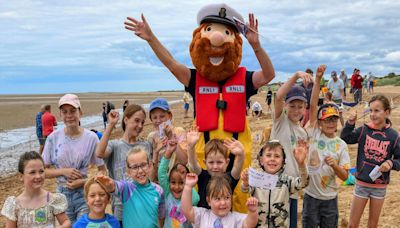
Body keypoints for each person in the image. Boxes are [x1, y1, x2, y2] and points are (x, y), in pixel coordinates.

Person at [125, 4, 275, 212]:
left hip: (238, 157)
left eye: (226, 33)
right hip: (206, 161)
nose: (218, 39)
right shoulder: (195, 79)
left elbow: (269, 75)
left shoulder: (245, 79)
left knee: (238, 208)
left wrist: (256, 46)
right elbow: (171, 63)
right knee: (205, 208)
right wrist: (151, 37)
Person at [42, 94, 106, 223]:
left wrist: (84, 182)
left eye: (73, 111)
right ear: (60, 115)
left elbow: (102, 171)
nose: (69, 115)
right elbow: (43, 171)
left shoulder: (91, 138)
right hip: (61, 195)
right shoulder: (53, 138)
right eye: (64, 112)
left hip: (84, 194)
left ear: (80, 113)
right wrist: (62, 171)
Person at [341, 94, 400, 228]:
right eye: (370, 110)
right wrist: (350, 123)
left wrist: (390, 163)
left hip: (379, 187)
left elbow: (399, 159)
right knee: (352, 224)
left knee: (372, 225)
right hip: (361, 183)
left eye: (377, 110)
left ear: (387, 112)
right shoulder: (364, 130)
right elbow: (345, 138)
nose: (373, 114)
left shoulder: (393, 136)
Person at [302, 65, 350, 227]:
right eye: (327, 120)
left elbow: (344, 177)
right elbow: (313, 104)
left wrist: (335, 166)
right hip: (310, 197)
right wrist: (317, 79)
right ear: (320, 123)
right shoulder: (315, 133)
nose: (331, 123)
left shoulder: (341, 145)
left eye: (334, 119)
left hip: (330, 199)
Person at [95, 104, 151, 224]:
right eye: (136, 121)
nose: (140, 126)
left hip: (142, 204)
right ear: (126, 119)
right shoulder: (115, 145)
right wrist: (110, 124)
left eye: (142, 122)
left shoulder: (146, 146)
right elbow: (99, 153)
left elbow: (150, 175)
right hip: (121, 208)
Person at [271, 71, 312, 228]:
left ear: (305, 108)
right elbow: (279, 96)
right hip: (275, 186)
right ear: (286, 106)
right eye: (292, 106)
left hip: (293, 189)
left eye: (300, 106)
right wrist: (295, 76)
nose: (296, 110)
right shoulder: (280, 121)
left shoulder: (303, 132)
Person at [241, 139, 309, 227]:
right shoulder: (257, 178)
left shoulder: (286, 181)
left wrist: (301, 164)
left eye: (277, 156)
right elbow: (245, 190)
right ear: (261, 160)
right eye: (268, 155)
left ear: (283, 162)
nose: (272, 159)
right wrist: (246, 182)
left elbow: (304, 182)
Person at [96, 147, 166, 228]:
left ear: (150, 165)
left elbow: (161, 216)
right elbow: (115, 186)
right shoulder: (127, 188)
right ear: (128, 172)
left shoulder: (159, 190)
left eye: (143, 165)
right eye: (135, 167)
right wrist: (109, 184)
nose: (140, 171)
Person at [1, 151, 70, 228]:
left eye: (41, 171)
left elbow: (66, 222)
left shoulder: (51, 199)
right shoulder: (15, 204)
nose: (38, 176)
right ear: (21, 176)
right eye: (32, 172)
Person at [186, 126, 244, 209]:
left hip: (225, 219)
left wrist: (241, 154)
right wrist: (191, 147)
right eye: (211, 162)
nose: (215, 166)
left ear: (227, 162)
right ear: (205, 162)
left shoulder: (229, 179)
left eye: (219, 162)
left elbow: (237, 169)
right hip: (204, 220)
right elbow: (193, 164)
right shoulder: (203, 176)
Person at [181, 174, 259, 228]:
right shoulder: (202, 215)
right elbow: (187, 210)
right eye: (217, 199)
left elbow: (249, 224)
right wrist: (188, 186)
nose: (223, 203)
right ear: (208, 201)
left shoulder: (235, 218)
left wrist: (252, 212)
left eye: (227, 197)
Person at [158, 139, 200, 227]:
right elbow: (161, 173)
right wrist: (168, 153)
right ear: (169, 183)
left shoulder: (189, 198)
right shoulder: (167, 192)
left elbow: (196, 199)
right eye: (173, 182)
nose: (176, 187)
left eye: (181, 183)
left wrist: (189, 184)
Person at [147, 98, 188, 181]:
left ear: (169, 115)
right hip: (159, 181)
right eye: (155, 117)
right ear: (151, 119)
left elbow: (184, 161)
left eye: (162, 116)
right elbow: (150, 166)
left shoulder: (179, 132)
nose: (158, 120)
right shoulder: (151, 137)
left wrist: (171, 137)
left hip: (176, 181)